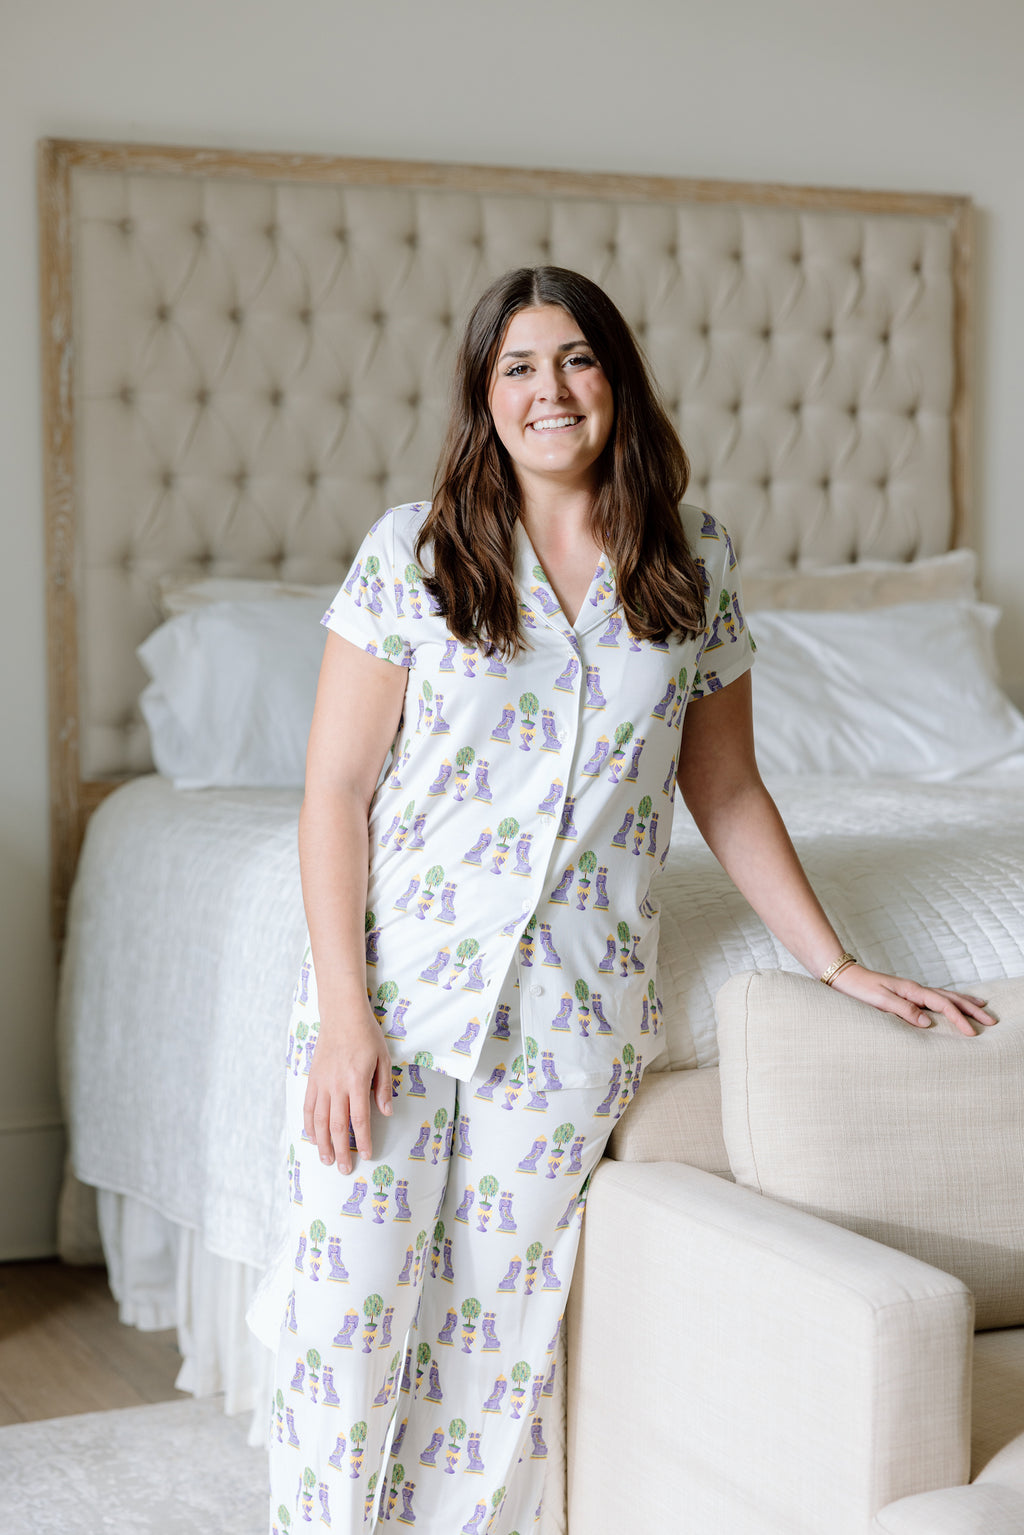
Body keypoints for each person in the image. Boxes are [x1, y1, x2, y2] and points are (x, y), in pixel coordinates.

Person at [250, 266, 995, 1535]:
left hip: (570, 1015)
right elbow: (332, 792)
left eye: (578, 359)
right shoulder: (414, 550)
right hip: (399, 994)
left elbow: (728, 787)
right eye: (520, 367)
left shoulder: (690, 558)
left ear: (618, 380)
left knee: (493, 1335)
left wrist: (834, 965)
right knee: (348, 1315)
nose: (552, 390)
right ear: (484, 398)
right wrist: (341, 1016)